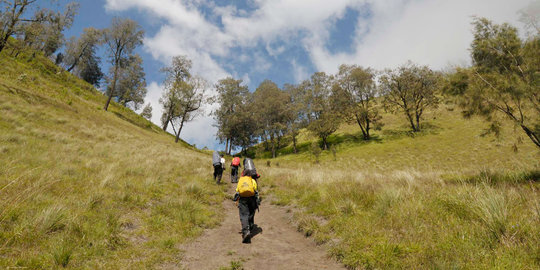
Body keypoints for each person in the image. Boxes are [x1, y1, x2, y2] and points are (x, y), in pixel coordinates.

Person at [233, 170, 261, 243]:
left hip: (243, 199)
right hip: (252, 199)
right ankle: (250, 227)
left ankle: (246, 231)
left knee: (244, 215)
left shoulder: (241, 180)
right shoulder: (252, 181)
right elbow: (255, 190)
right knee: (251, 213)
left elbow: (237, 190)